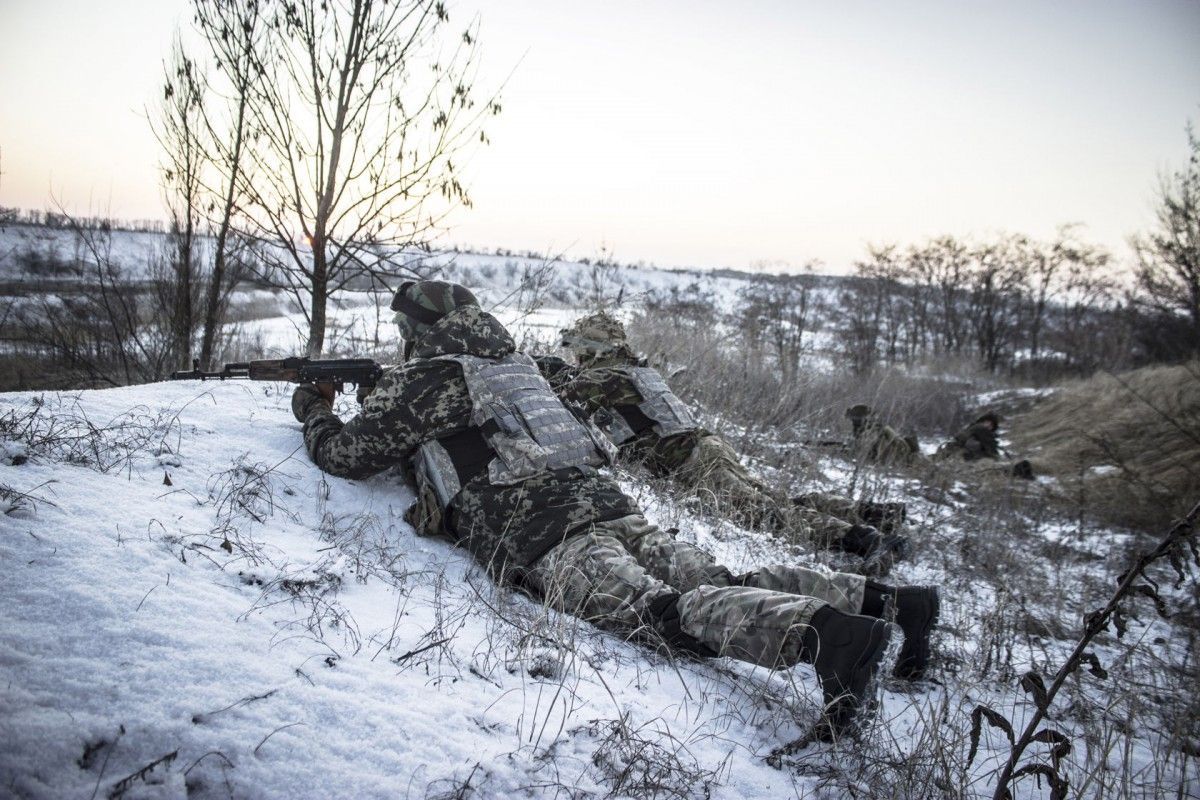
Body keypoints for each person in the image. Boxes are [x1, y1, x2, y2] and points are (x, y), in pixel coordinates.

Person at [290, 281, 939, 736]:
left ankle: (829, 639)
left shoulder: (429, 378)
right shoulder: (515, 364)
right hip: (610, 505)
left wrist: (314, 409)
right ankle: (891, 604)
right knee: (718, 579)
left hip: (546, 530)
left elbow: (347, 455)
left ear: (415, 331)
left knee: (659, 615)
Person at [535, 312, 909, 572]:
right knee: (774, 501)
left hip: (692, 460)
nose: (575, 355)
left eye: (578, 349)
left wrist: (539, 369)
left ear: (593, 349)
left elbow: (561, 397)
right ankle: (871, 513)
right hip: (705, 448)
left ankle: (865, 539)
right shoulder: (635, 370)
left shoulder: (605, 377)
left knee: (765, 514)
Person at [844, 404, 925, 467]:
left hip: (905, 462)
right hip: (907, 459)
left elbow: (868, 455)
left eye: (853, 420)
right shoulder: (875, 429)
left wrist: (847, 452)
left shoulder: (872, 432)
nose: (852, 423)